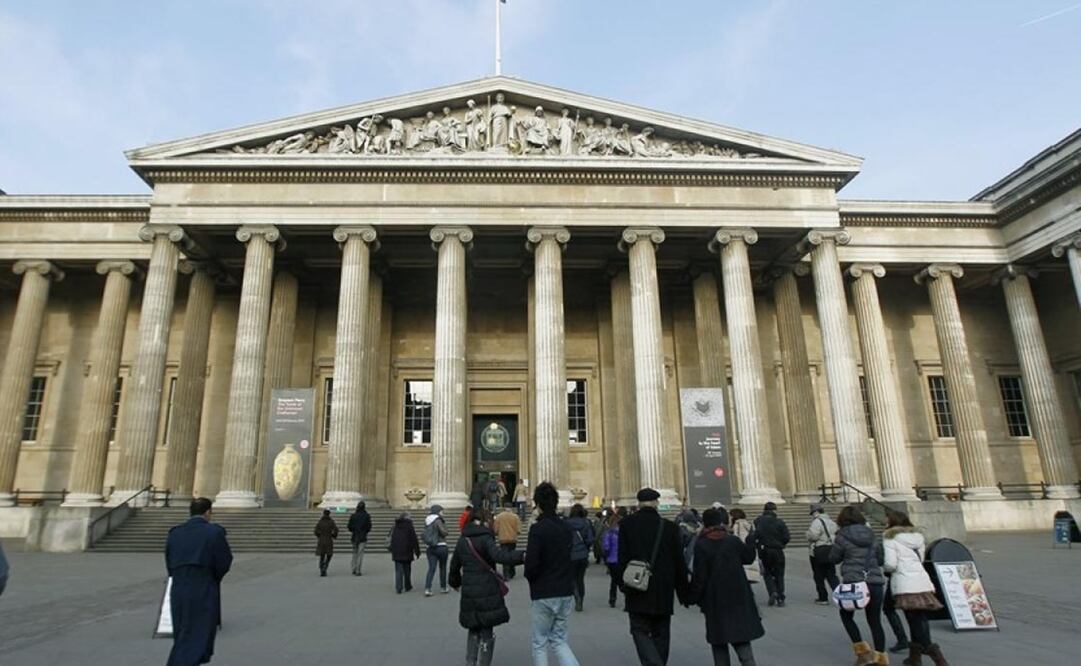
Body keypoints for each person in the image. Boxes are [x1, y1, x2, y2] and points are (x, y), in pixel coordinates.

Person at [618, 488, 690, 666]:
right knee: (661, 632)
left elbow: (622, 557)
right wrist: (684, 593)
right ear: (656, 503)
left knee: (639, 630)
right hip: (662, 589)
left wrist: (622, 583)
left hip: (636, 585)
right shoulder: (669, 527)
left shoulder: (627, 524)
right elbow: (679, 562)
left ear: (638, 504)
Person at [449, 507, 525, 666]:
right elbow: (499, 556)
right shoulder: (485, 538)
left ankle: (470, 662)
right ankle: (484, 663)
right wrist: (522, 556)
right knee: (486, 628)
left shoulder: (463, 539)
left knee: (473, 627)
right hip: (487, 588)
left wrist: (454, 582)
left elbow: (454, 565)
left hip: (469, 590)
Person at [687, 507, 764, 666]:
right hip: (738, 598)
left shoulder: (702, 544)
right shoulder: (732, 540)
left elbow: (699, 576)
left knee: (719, 643)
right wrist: (750, 541)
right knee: (743, 643)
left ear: (705, 523)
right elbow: (748, 558)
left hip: (715, 601)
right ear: (721, 522)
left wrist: (691, 597)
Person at [165, 497, 233, 666]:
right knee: (200, 631)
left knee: (183, 631)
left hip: (179, 586)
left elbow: (169, 559)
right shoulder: (214, 532)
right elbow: (224, 560)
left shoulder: (175, 533)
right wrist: (213, 577)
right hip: (203, 584)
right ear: (208, 512)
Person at [524, 480, 581, 666]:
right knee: (559, 641)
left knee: (539, 642)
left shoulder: (538, 530)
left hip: (544, 592)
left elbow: (531, 565)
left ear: (537, 504)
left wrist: (531, 579)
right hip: (565, 591)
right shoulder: (566, 528)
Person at [883, 511, 949, 666]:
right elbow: (921, 558)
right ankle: (915, 658)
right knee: (918, 617)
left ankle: (937, 657)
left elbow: (891, 564)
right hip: (921, 581)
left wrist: (887, 569)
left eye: (887, 519)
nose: (885, 521)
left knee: (913, 619)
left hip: (905, 582)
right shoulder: (918, 537)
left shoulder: (889, 537)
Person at [830, 506, 888, 666]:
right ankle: (880, 658)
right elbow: (881, 560)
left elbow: (834, 558)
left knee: (846, 615)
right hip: (874, 581)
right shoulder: (872, 535)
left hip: (854, 582)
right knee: (875, 621)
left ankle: (862, 652)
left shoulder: (841, 536)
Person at [753, 501, 790, 607]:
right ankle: (780, 597)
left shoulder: (758, 521)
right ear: (774, 510)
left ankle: (772, 591)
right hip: (778, 550)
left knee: (767, 573)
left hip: (764, 550)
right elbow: (786, 537)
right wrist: (781, 544)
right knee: (779, 574)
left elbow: (755, 535)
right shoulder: (780, 522)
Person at [807, 504, 841, 605]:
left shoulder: (817, 522)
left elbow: (813, 536)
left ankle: (823, 597)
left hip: (819, 551)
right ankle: (840, 594)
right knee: (831, 575)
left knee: (818, 575)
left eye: (812, 513)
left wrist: (807, 534)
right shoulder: (831, 522)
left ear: (816, 512)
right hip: (830, 549)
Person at [565, 504, 594, 612]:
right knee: (580, 579)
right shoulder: (586, 523)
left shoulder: (566, 524)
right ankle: (581, 599)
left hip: (570, 555)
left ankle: (576, 595)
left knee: (572, 578)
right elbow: (590, 539)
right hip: (582, 555)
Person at [390, 511, 421, 594]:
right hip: (407, 550)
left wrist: (392, 549)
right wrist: (417, 551)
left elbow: (392, 538)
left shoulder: (395, 526)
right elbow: (414, 540)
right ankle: (407, 585)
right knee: (407, 570)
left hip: (397, 551)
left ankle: (398, 587)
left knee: (398, 570)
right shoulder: (409, 526)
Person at [729, 509, 761, 588]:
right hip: (749, 550)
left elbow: (736, 538)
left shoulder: (737, 525)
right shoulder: (748, 524)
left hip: (740, 551)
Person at [423, 504, 450, 596]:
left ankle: (427, 588)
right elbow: (444, 532)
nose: (443, 513)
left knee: (431, 568)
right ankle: (443, 587)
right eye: (442, 511)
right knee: (442, 567)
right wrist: (446, 531)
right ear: (438, 511)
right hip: (441, 546)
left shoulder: (427, 521)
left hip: (430, 547)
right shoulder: (438, 520)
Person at [602, 509, 624, 608]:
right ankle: (626, 598)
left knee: (613, 581)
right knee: (623, 580)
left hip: (611, 560)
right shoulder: (624, 534)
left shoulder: (609, 533)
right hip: (622, 559)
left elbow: (606, 547)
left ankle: (612, 599)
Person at [493, 505, 522, 580]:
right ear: (511, 508)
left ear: (504, 508)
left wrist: (497, 532)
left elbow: (495, 529)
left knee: (504, 556)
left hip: (503, 539)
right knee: (512, 555)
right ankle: (512, 571)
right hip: (512, 539)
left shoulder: (499, 517)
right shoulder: (515, 516)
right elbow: (519, 530)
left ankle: (506, 574)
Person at [347, 500, 372, 576]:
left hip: (355, 536)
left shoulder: (353, 516)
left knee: (354, 553)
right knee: (360, 554)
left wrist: (353, 530)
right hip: (362, 537)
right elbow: (369, 527)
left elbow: (349, 526)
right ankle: (358, 570)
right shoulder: (366, 516)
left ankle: (353, 568)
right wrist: (365, 531)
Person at [313, 509, 339, 577]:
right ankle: (325, 566)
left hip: (321, 540)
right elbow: (336, 530)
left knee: (322, 555)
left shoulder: (320, 522)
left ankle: (322, 568)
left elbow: (316, 531)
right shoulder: (331, 522)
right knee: (329, 555)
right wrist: (333, 535)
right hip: (328, 540)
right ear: (329, 514)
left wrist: (319, 536)